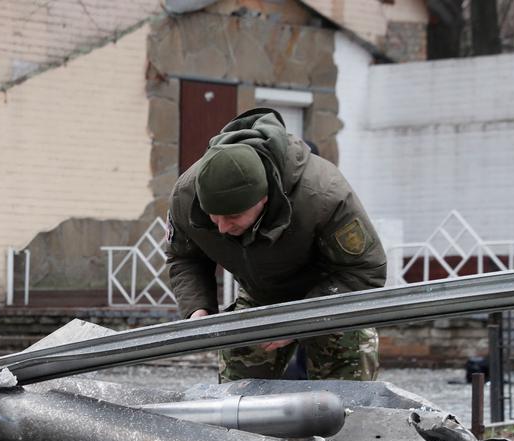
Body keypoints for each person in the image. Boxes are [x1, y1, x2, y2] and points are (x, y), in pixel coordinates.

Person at [164, 108, 386, 381]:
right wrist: (198, 309)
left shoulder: (324, 195)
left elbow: (365, 269)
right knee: (237, 400)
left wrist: (299, 321)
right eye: (214, 217)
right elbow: (184, 257)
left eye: (233, 217)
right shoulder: (186, 196)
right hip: (260, 296)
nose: (222, 227)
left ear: (263, 199)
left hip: (331, 298)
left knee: (348, 404)